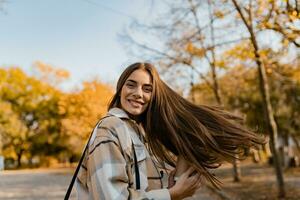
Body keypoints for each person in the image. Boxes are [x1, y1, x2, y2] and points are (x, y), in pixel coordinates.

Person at [75, 62, 265, 199]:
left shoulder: (139, 134)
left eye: (147, 89)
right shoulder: (110, 128)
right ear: (120, 89)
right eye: (131, 84)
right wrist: (171, 195)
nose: (138, 93)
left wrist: (173, 181)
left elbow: (142, 189)